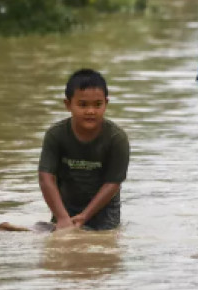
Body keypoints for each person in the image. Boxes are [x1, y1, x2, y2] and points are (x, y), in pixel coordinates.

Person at [38, 69, 131, 231]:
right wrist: (61, 217)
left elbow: (113, 183)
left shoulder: (117, 138)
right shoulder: (55, 135)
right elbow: (46, 178)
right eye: (82, 105)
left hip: (105, 213)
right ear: (68, 105)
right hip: (64, 210)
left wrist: (84, 216)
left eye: (97, 105)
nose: (90, 111)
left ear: (106, 104)